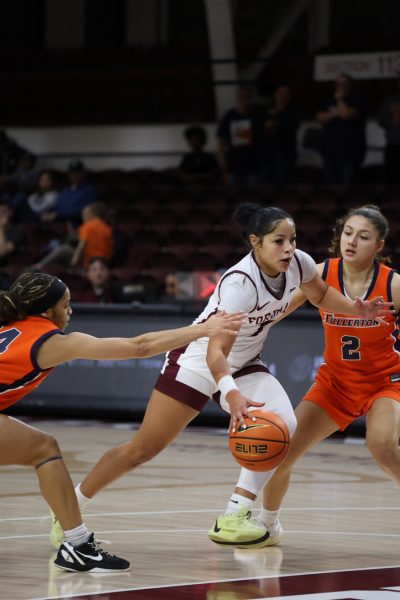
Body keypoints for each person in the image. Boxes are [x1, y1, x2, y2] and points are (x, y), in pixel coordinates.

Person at [49, 202, 390, 550]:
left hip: (244, 363)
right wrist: (231, 394)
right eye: (278, 241)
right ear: (255, 242)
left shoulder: (299, 263)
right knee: (143, 449)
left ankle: (235, 514)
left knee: (283, 424)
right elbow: (215, 354)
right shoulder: (239, 284)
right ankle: (69, 509)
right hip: (197, 362)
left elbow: (321, 295)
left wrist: (355, 308)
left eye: (292, 239)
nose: (288, 248)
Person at [0, 271, 243, 572]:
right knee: (44, 449)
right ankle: (77, 545)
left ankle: (76, 542)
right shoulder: (51, 341)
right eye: (65, 305)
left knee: (43, 446)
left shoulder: (7, 329)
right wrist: (203, 329)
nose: (71, 312)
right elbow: (139, 347)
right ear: (46, 312)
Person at [210, 204, 399, 548]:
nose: (352, 241)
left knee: (381, 444)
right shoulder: (321, 273)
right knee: (281, 449)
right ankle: (268, 525)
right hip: (336, 383)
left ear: (379, 245)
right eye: (347, 233)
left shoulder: (394, 284)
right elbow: (273, 311)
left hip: (385, 382)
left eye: (364, 236)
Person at [316, 73, 366, 185]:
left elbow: (346, 115)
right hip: (329, 149)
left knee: (347, 184)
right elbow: (319, 117)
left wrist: (340, 101)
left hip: (350, 151)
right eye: (338, 84)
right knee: (329, 184)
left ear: (350, 85)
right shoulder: (328, 101)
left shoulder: (357, 100)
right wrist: (338, 112)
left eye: (344, 84)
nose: (341, 87)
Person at [217, 87, 262, 187]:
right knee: (233, 191)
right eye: (240, 97)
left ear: (250, 99)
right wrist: (221, 159)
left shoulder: (256, 115)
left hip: (252, 162)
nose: (243, 100)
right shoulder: (229, 115)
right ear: (236, 99)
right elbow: (221, 139)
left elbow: (261, 137)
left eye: (246, 97)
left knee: (252, 193)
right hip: (233, 162)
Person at [259, 83, 300, 185]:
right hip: (267, 155)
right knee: (267, 187)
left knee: (285, 188)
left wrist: (276, 120)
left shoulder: (293, 111)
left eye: (285, 94)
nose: (282, 96)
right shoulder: (266, 111)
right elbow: (260, 128)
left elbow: (291, 128)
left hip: (285, 155)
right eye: (280, 93)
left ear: (289, 96)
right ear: (275, 95)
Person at [377, 75, 400, 185]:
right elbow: (381, 120)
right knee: (392, 179)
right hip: (394, 144)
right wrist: (394, 116)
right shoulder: (391, 100)